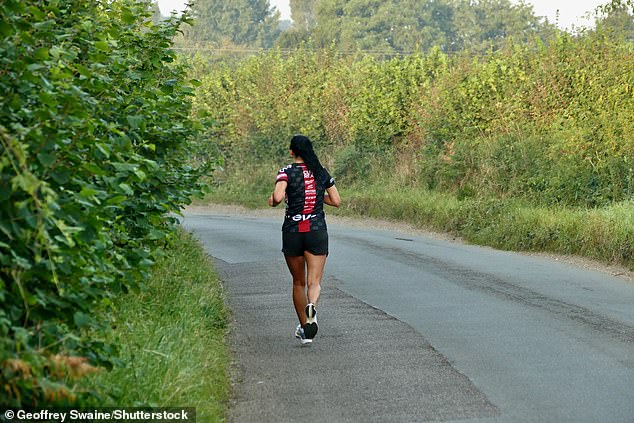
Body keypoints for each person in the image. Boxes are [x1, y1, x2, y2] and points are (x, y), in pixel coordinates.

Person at [268, 135, 341, 345]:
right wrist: (318, 198)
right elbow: (336, 201)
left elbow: (279, 197)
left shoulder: (286, 172)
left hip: (292, 231)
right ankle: (312, 306)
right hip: (316, 230)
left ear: (292, 152)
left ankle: (304, 328)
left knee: (298, 282)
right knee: (314, 282)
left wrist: (273, 200)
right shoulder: (320, 172)